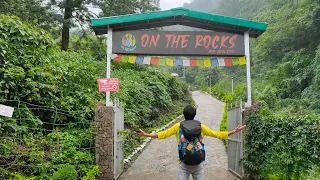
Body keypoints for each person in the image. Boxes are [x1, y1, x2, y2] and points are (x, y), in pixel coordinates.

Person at [135, 105, 246, 180]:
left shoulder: (178, 127)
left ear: (184, 114)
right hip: (198, 164)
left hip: (184, 164)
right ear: (194, 114)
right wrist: (233, 131)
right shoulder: (200, 127)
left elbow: (161, 135)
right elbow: (216, 134)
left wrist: (146, 134)